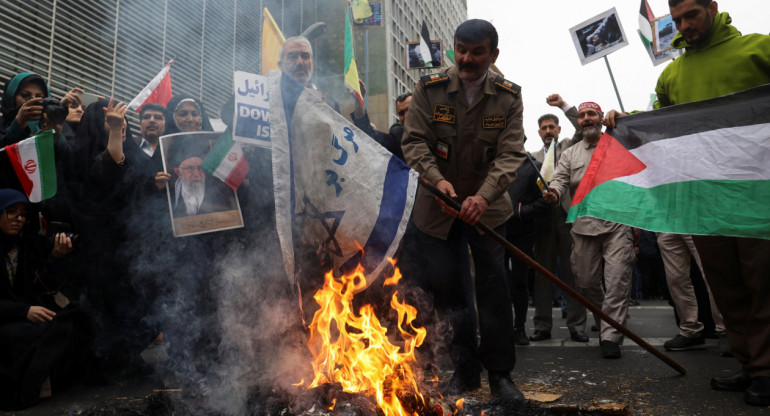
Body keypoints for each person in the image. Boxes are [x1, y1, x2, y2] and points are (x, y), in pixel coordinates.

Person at [603, 0, 770, 405]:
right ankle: (749, 364)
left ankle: (766, 370)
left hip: (756, 197)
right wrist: (628, 121)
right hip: (705, 201)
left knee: (762, 284)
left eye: (691, 15)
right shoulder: (672, 74)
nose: (683, 25)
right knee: (727, 287)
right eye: (676, 19)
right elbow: (664, 124)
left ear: (712, 7)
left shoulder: (758, 50)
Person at [401, 19, 526, 402]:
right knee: (448, 291)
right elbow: (415, 142)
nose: (466, 59)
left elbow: (510, 155)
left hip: (486, 210)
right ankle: (465, 371)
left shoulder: (508, 96)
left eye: (477, 52)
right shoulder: (429, 88)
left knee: (493, 288)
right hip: (437, 209)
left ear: (494, 54)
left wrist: (483, 197)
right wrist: (438, 182)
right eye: (461, 50)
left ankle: (501, 375)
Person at [543, 102, 635, 360]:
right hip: (582, 227)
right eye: (581, 115)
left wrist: (623, 117)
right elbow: (559, 180)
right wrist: (553, 192)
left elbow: (641, 133)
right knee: (586, 282)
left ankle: (610, 337)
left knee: (617, 282)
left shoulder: (617, 143)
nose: (585, 119)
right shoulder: (570, 154)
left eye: (590, 114)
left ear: (600, 118)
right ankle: (604, 318)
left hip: (617, 225)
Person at [0, 188, 85, 410]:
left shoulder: (23, 247)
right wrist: (24, 311)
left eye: (23, 214)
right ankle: (22, 392)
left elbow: (39, 285)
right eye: (11, 212)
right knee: (24, 334)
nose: (18, 219)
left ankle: (45, 384)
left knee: (71, 319)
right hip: (6, 319)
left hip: (23, 312)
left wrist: (57, 257)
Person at [529, 94, 587, 344]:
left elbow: (582, 127)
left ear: (559, 129)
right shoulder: (531, 157)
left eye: (552, 127)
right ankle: (542, 325)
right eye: (544, 128)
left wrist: (564, 106)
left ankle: (577, 325)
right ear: (539, 132)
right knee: (542, 273)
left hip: (567, 217)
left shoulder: (569, 147)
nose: (548, 131)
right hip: (542, 220)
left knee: (573, 272)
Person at [504, 149, 549, 345]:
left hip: (523, 233)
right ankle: (502, 326)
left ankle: (519, 327)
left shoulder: (534, 167)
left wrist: (521, 212)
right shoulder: (495, 164)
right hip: (498, 230)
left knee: (520, 281)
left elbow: (545, 199)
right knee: (498, 279)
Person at [657, 233, 727, 353]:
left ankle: (726, 331)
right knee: (675, 278)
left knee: (712, 273)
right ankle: (691, 330)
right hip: (668, 221)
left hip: (697, 219)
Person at [167, 135, 237, 218]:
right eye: (190, 168)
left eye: (200, 168)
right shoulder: (169, 192)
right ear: (178, 172)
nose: (196, 174)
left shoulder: (220, 191)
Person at [278, 36, 340, 112]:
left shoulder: (329, 104)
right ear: (281, 65)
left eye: (305, 56)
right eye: (293, 57)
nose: (300, 62)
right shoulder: (269, 99)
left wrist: (358, 114)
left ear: (312, 64)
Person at [350, 81, 409, 161]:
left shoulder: (431, 129)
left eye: (410, 110)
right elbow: (367, 133)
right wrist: (358, 99)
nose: (406, 115)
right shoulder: (398, 138)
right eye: (401, 113)